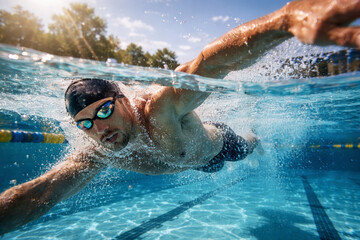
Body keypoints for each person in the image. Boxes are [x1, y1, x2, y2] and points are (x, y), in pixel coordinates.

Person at [1, 0, 359, 235]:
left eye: (105, 110)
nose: (99, 128)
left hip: (219, 147)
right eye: (86, 123)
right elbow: (41, 194)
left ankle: (255, 138)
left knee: (247, 146)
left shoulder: (159, 110)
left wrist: (283, 20)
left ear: (123, 100)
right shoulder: (98, 149)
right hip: (192, 163)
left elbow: (209, 65)